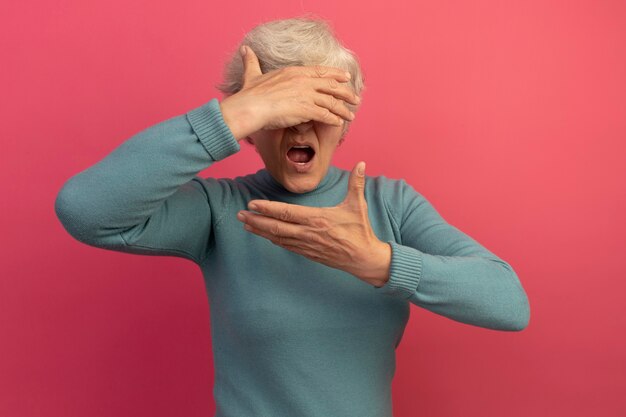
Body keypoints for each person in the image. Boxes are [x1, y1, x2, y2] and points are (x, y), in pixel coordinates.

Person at [55, 15, 530, 417]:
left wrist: (375, 261)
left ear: (345, 122)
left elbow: (509, 303)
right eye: (282, 110)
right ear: (252, 131)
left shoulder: (391, 204)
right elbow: (85, 210)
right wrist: (231, 115)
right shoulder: (220, 211)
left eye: (320, 106)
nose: (301, 124)